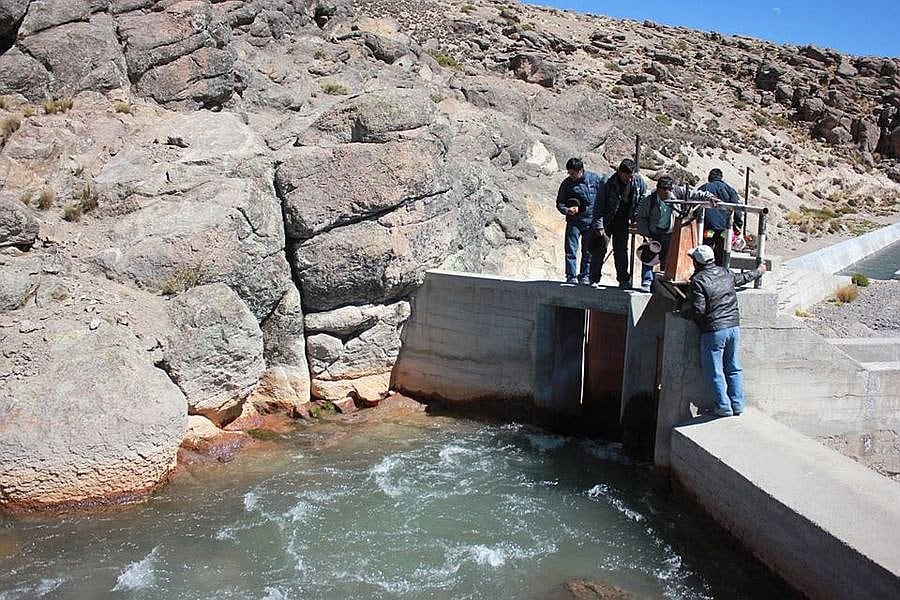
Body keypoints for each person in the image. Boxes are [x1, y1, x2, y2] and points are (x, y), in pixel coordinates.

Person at [681, 245, 767, 417]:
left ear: (698, 262)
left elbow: (699, 310)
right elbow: (743, 278)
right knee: (734, 367)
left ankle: (723, 406)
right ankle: (737, 404)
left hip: (714, 331)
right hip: (733, 327)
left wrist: (683, 313)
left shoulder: (699, 281)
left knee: (715, 370)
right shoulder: (725, 272)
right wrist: (759, 271)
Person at [635, 177, 716, 291]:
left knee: (667, 258)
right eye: (663, 192)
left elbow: (695, 194)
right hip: (653, 233)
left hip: (670, 233)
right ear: (658, 189)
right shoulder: (650, 200)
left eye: (668, 192)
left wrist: (709, 197)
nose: (665, 195)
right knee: (649, 257)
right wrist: (646, 234)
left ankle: (661, 285)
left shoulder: (678, 193)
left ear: (671, 189)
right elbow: (641, 217)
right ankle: (646, 282)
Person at [591, 158, 646, 288]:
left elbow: (642, 198)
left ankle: (623, 280)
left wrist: (636, 217)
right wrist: (599, 226)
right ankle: (594, 278)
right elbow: (599, 205)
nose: (630, 179)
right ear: (620, 173)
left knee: (621, 251)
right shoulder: (607, 182)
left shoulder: (638, 182)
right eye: (627, 176)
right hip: (607, 220)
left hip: (623, 221)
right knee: (600, 249)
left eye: (632, 176)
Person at [556, 158, 604, 284]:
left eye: (573, 173)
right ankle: (571, 276)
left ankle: (585, 276)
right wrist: (567, 210)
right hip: (574, 222)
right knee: (571, 249)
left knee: (588, 251)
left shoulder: (594, 179)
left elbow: (603, 198)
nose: (570, 176)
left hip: (591, 222)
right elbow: (560, 203)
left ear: (580, 170)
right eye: (569, 173)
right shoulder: (566, 184)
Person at [698, 168, 743, 266]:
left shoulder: (704, 188)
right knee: (722, 251)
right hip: (725, 227)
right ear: (721, 177)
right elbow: (737, 208)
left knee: (706, 250)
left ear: (710, 177)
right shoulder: (729, 189)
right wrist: (738, 224)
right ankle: (721, 272)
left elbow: (695, 206)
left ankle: (704, 271)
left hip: (707, 226)